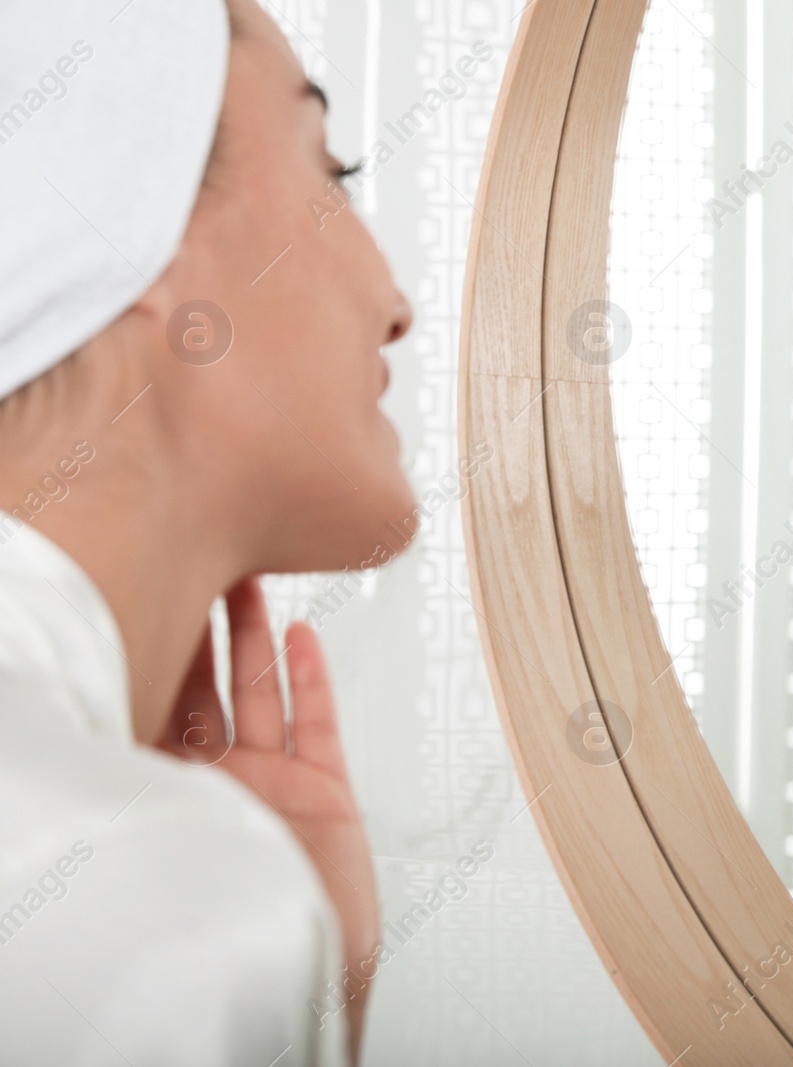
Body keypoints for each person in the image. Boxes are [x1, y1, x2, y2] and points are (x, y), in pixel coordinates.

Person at [0, 0, 413, 1063]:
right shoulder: (154, 904)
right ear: (130, 219)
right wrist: (226, 918)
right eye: (334, 170)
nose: (396, 298)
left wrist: (314, 1000)